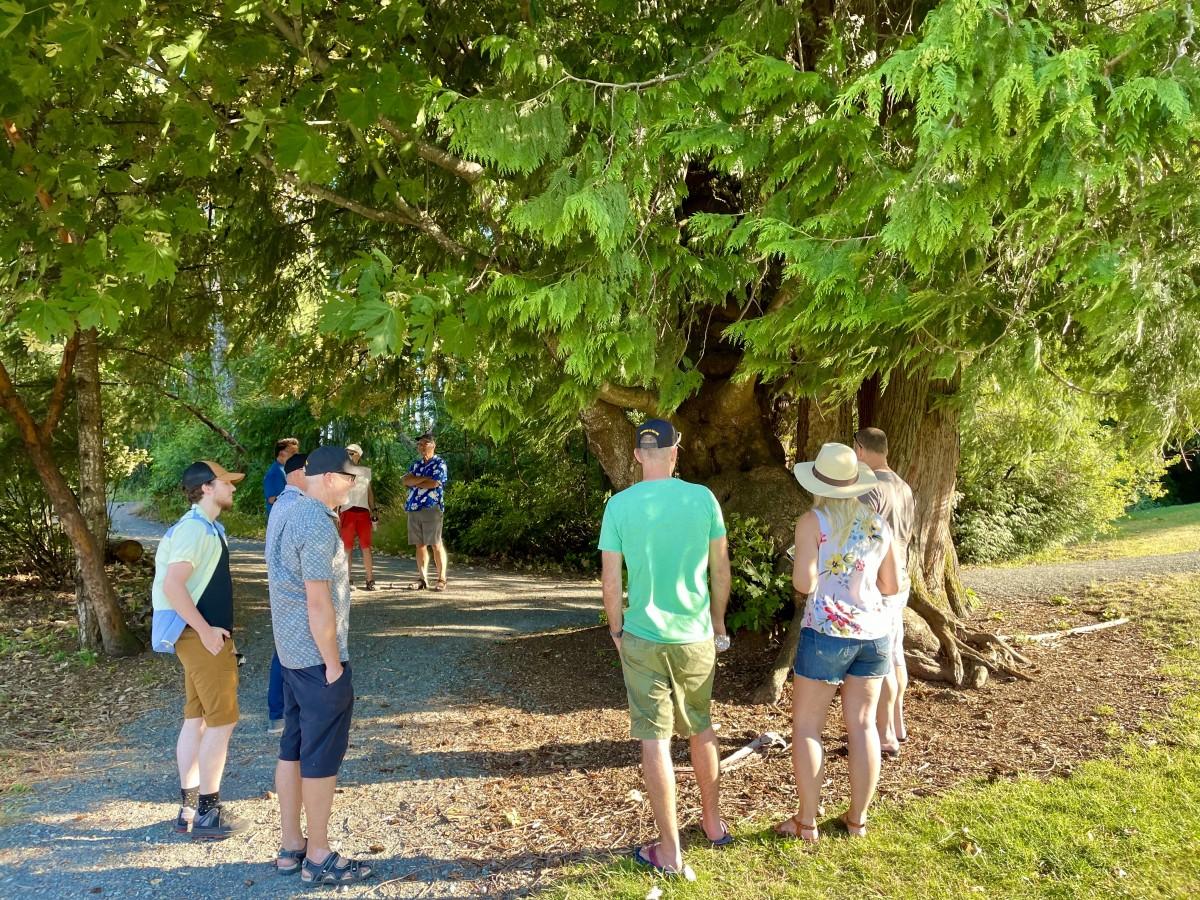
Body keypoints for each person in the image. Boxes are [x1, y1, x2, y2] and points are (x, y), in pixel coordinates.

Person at [598, 419, 732, 876]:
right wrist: (716, 625)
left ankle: (670, 851)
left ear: (638, 455)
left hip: (642, 636)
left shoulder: (618, 505)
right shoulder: (703, 499)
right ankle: (713, 825)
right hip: (695, 636)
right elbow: (721, 571)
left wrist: (616, 631)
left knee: (655, 739)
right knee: (702, 728)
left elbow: (611, 580)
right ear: (676, 451)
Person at [775, 442, 900, 842]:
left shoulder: (813, 521)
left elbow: (803, 582)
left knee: (808, 727)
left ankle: (807, 822)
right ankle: (857, 820)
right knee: (864, 725)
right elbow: (890, 585)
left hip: (827, 633)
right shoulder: (879, 523)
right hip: (874, 635)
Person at [265, 446, 373, 885]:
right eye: (350, 480)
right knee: (321, 757)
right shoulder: (314, 519)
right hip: (315, 659)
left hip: (289, 656)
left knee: (292, 748)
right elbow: (317, 601)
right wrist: (333, 663)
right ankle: (319, 854)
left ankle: (292, 845)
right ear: (330, 477)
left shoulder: (285, 507)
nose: (353, 487)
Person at [150, 460, 248, 840]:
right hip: (201, 638)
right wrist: (206, 631)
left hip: (193, 637)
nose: (233, 488)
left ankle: (189, 808)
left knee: (197, 718)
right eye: (226, 482)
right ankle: (209, 813)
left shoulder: (201, 528)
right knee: (222, 721)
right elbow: (175, 586)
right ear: (207, 487)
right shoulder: (195, 531)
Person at [854, 427, 916, 756]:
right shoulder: (903, 487)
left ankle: (886, 731)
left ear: (861, 450)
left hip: (881, 581)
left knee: (884, 657)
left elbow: (863, 535)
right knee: (896, 650)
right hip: (902, 574)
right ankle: (897, 721)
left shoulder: (871, 487)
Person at [266, 452, 308, 735]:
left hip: (284, 590)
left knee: (284, 651)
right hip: (296, 593)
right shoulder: (297, 506)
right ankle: (283, 713)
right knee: (291, 655)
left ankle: (280, 713)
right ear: (300, 473)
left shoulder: (285, 502)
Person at [402, 432, 448, 592]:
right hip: (414, 507)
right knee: (419, 545)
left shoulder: (439, 463)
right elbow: (405, 480)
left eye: (424, 443)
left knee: (436, 543)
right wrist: (422, 479)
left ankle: (441, 579)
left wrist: (417, 480)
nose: (421, 447)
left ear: (433, 445)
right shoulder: (416, 464)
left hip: (432, 507)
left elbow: (434, 483)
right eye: (419, 444)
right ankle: (422, 579)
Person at [339, 443, 378, 590]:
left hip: (363, 512)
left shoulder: (365, 472)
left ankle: (370, 580)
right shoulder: (341, 471)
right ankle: (347, 580)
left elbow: (369, 492)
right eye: (347, 452)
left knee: (366, 546)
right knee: (347, 547)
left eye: (351, 452)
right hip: (347, 511)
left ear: (358, 455)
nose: (348, 455)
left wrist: (374, 509)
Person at [264, 437, 299, 517]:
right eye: (293, 453)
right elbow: (272, 499)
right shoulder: (274, 473)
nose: (296, 456)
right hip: (279, 520)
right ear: (281, 453)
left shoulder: (285, 470)